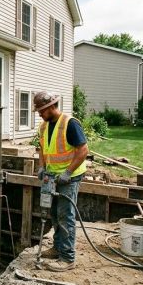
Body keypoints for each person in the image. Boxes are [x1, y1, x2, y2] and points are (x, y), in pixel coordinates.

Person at [34, 91, 89, 272]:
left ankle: (67, 258)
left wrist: (68, 172)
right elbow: (43, 149)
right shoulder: (44, 126)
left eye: (41, 110)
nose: (39, 114)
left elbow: (83, 150)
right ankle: (58, 247)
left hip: (69, 178)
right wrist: (41, 167)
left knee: (66, 216)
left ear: (50, 107)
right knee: (55, 214)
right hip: (52, 177)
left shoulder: (70, 124)